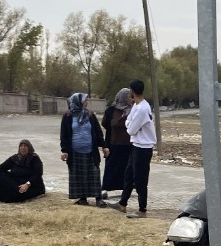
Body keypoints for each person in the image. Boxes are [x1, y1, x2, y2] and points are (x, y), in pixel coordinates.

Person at [111, 79, 156, 219]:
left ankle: (142, 209)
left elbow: (130, 129)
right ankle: (122, 203)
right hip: (136, 145)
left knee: (140, 178)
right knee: (129, 174)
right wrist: (130, 123)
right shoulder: (137, 106)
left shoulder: (143, 108)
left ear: (132, 91)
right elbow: (128, 121)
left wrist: (130, 124)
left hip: (144, 147)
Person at [60, 93, 108, 206]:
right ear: (78, 102)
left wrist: (104, 146)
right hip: (75, 152)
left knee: (94, 174)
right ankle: (83, 198)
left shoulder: (90, 115)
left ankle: (98, 198)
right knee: (79, 175)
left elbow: (97, 131)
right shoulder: (67, 116)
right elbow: (64, 135)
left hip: (91, 151)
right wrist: (64, 150)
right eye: (85, 100)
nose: (87, 102)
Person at [0, 139, 46, 204]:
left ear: (29, 148)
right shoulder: (14, 158)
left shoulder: (34, 158)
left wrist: (28, 184)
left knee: (16, 196)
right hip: (17, 183)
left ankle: (2, 195)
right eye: (21, 146)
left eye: (25, 146)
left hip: (32, 185)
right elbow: (1, 167)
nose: (23, 148)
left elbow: (38, 174)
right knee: (0, 174)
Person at [101, 88, 133, 200]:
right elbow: (104, 123)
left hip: (129, 144)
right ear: (123, 97)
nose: (131, 99)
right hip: (113, 143)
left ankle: (126, 188)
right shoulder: (111, 110)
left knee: (127, 167)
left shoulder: (133, 110)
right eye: (129, 97)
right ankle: (104, 188)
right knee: (111, 166)